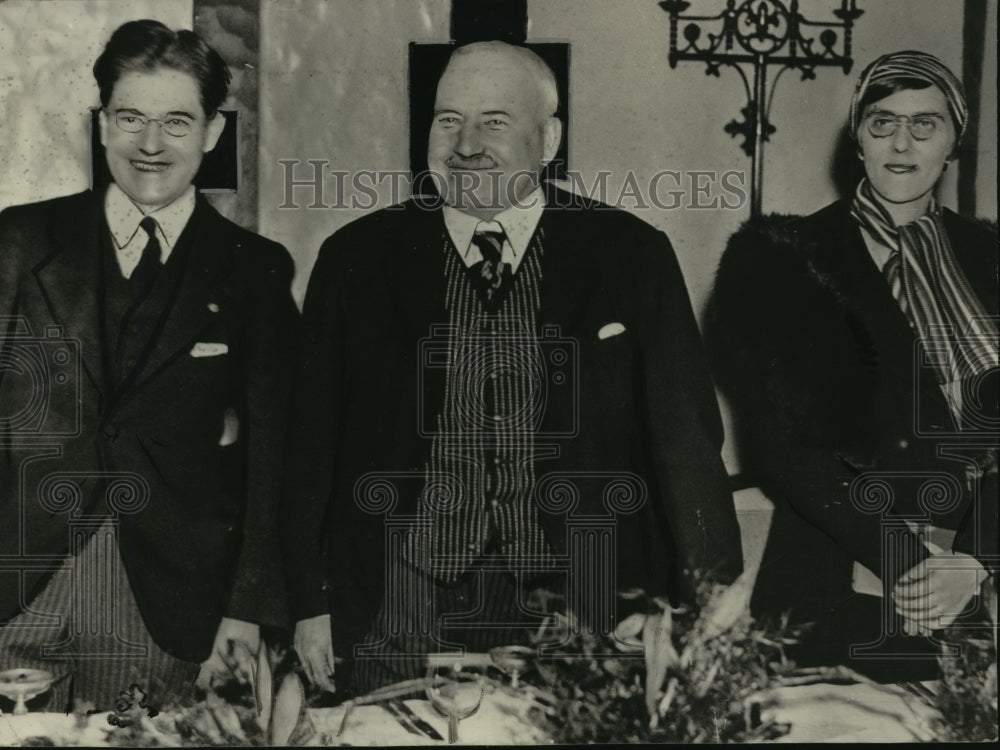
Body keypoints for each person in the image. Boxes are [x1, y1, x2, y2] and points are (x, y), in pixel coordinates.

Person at [283, 40, 742, 695]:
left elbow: (686, 448)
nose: (466, 144)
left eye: (494, 122)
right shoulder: (355, 258)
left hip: (587, 604)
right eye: (448, 119)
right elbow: (308, 449)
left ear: (548, 139)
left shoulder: (630, 254)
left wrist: (703, 606)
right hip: (397, 602)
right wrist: (311, 604)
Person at [0, 20, 298, 710]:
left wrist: (248, 605)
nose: (151, 144)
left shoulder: (253, 271)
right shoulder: (17, 242)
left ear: (212, 132)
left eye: (176, 122)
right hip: (17, 585)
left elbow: (275, 455)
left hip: (168, 602)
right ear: (103, 123)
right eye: (131, 117)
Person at [707, 50, 997, 681]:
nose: (902, 142)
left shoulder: (990, 257)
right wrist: (919, 572)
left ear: (954, 143)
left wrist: (976, 560)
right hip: (844, 577)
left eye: (925, 124)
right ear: (857, 137)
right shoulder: (779, 257)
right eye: (882, 121)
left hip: (978, 571)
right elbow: (789, 451)